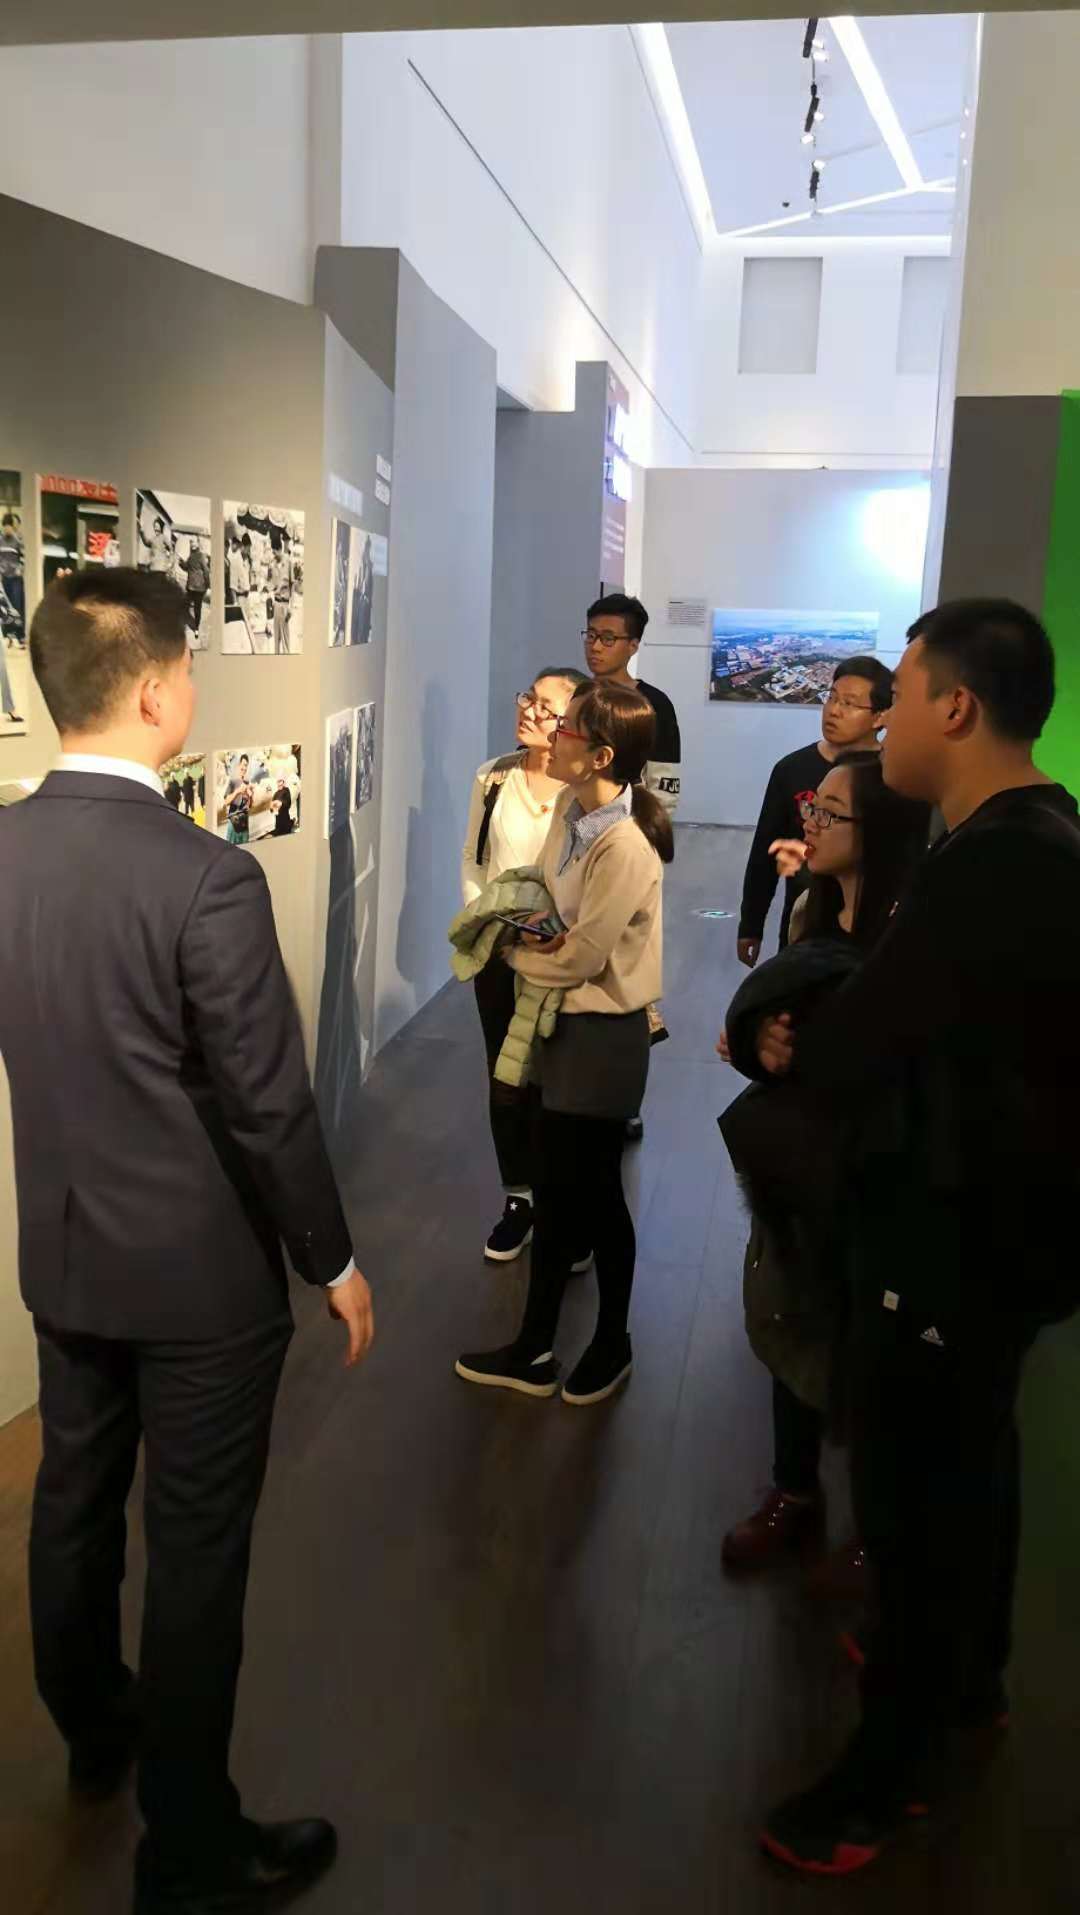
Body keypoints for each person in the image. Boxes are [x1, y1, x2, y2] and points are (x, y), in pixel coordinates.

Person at [0, 569, 374, 1914]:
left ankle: (95, 1726)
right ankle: (191, 1845)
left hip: (64, 1251)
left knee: (73, 1501)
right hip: (199, 1280)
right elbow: (268, 1100)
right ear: (158, 690)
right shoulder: (207, 874)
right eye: (194, 670)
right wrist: (333, 1258)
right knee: (197, 1548)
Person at [748, 600, 1080, 1876]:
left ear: (956, 705)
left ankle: (887, 1772)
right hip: (996, 1238)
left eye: (901, 690)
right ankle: (964, 1683)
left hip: (950, 1244)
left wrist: (792, 1035)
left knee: (919, 1504)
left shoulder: (994, 863)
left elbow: (862, 1042)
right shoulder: (1036, 834)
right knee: (972, 1471)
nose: (880, 718)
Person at [717, 755, 929, 1575]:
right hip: (804, 1164)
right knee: (791, 1317)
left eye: (831, 813)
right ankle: (794, 1489)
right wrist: (764, 1038)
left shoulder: (912, 934)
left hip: (875, 1174)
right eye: (816, 808)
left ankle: (879, 1531)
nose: (812, 822)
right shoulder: (813, 907)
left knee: (870, 1348)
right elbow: (776, 1014)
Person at [456, 680, 673, 1406]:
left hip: (602, 1036)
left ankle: (612, 1341)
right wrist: (524, 930)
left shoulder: (626, 843)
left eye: (569, 726)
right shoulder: (570, 815)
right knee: (555, 1189)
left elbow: (582, 955)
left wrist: (510, 952)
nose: (553, 732)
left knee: (598, 1195)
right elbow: (549, 904)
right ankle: (536, 1344)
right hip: (560, 1022)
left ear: (601, 754)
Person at [461, 667, 587, 1261]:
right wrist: (485, 926)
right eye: (528, 699)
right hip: (498, 953)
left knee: (558, 1081)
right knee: (505, 1078)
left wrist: (558, 939)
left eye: (546, 706)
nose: (530, 711)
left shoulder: (587, 789)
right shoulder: (493, 776)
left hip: (564, 960)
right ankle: (519, 1198)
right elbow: (473, 861)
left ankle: (566, 1206)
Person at [583, 592, 680, 1142]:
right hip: (577, 848)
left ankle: (624, 1100)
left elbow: (665, 788)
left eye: (608, 638)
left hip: (629, 848)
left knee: (628, 977)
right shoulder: (579, 699)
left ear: (633, 644)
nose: (596, 647)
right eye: (591, 635)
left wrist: (644, 845)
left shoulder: (655, 705)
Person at [737, 655, 894, 966]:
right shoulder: (791, 769)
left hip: (870, 932)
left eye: (849, 703)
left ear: (879, 717)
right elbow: (765, 851)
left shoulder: (893, 775)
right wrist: (751, 924)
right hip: (802, 924)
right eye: (832, 697)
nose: (834, 710)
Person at [0, 510, 26, 643]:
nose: (7, 530)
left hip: (15, 579)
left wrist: (20, 569)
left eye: (8, 527)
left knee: (17, 605)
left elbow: (23, 557)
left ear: (12, 527)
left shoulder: (18, 541)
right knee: (6, 607)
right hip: (4, 578)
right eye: (5, 527)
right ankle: (7, 633)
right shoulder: (0, 541)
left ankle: (19, 634)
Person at [179, 537, 211, 642]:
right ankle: (195, 628)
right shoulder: (197, 556)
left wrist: (180, 562)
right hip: (197, 587)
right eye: (191, 543)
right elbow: (205, 571)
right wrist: (208, 584)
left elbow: (187, 567)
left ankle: (190, 627)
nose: (192, 545)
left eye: (193, 544)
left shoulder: (195, 556)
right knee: (195, 607)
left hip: (193, 587)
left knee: (190, 606)